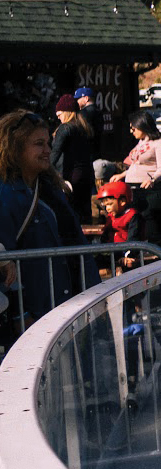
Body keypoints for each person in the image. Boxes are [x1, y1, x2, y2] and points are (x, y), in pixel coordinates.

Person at [0, 109, 91, 330]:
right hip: (32, 320)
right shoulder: (5, 195)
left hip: (67, 307)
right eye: (39, 144)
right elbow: (5, 264)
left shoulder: (50, 190)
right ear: (16, 147)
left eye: (48, 143)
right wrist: (19, 315)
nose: (48, 150)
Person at [115, 110, 161, 249]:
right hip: (135, 190)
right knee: (134, 223)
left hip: (153, 190)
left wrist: (153, 179)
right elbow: (136, 165)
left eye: (133, 128)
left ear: (142, 125)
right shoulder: (141, 143)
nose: (131, 131)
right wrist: (122, 175)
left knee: (152, 228)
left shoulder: (160, 143)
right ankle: (132, 252)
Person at [50, 94, 96, 223]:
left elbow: (55, 152)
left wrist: (45, 170)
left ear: (66, 112)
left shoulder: (65, 128)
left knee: (69, 215)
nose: (58, 118)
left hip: (70, 176)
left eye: (59, 114)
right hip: (86, 176)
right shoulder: (84, 128)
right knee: (85, 215)